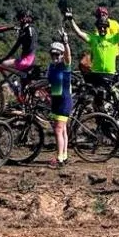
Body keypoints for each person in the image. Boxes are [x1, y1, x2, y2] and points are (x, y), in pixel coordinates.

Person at [67, 5, 119, 104]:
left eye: (104, 28)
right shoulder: (95, 37)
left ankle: (116, 113)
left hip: (110, 71)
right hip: (96, 72)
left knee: (111, 98)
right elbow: (79, 33)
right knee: (95, 98)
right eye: (100, 28)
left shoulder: (113, 35)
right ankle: (99, 115)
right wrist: (71, 20)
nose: (102, 29)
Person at [46, 31, 73, 168]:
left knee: (58, 129)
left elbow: (69, 56)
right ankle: (64, 155)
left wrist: (66, 42)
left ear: (61, 55)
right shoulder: (51, 67)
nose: (55, 56)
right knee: (62, 130)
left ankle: (59, 159)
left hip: (64, 101)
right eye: (53, 54)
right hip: (55, 101)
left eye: (57, 54)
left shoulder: (65, 66)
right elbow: (48, 82)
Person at [0, 9, 39, 97]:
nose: (20, 20)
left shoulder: (29, 30)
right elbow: (16, 46)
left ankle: (16, 83)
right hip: (29, 59)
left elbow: (29, 46)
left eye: (21, 18)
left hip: (27, 59)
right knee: (24, 86)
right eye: (20, 18)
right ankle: (24, 104)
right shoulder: (26, 30)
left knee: (3, 64)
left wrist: (4, 59)